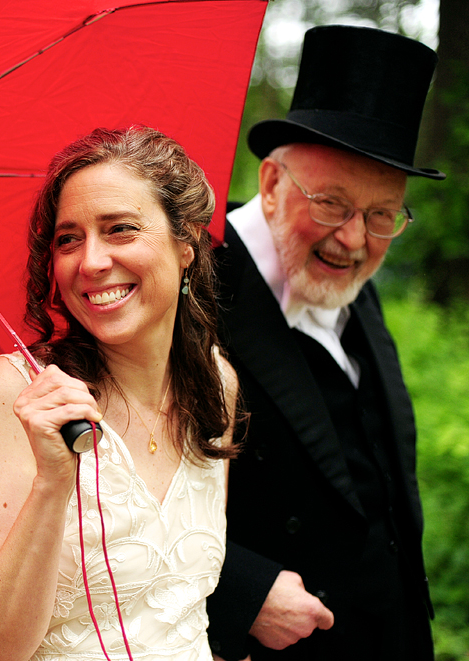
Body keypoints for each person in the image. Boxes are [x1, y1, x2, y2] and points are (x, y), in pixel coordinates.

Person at [0, 126, 240, 661]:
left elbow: (181, 604)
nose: (90, 262)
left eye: (120, 229)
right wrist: (52, 481)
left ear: (187, 246)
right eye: (68, 238)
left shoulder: (216, 381)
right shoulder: (11, 394)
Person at [206, 25, 445, 661]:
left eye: (382, 214)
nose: (355, 239)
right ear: (272, 183)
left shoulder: (352, 270)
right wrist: (243, 590)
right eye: (332, 204)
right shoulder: (188, 289)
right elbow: (120, 498)